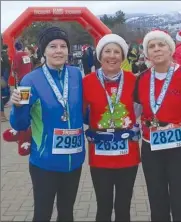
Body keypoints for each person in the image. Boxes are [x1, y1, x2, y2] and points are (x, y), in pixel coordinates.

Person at [9, 26, 85, 221]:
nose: (58, 50)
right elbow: (19, 124)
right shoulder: (29, 80)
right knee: (42, 214)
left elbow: (84, 112)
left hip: (74, 161)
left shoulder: (77, 75)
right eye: (52, 46)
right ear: (44, 51)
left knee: (67, 213)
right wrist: (17, 106)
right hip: (45, 162)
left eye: (62, 46)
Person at [135, 29, 181, 221]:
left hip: (180, 147)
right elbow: (135, 112)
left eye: (161, 45)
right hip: (151, 146)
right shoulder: (142, 78)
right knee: (157, 198)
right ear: (147, 53)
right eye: (152, 46)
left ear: (171, 49)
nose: (157, 49)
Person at [83, 34, 141, 222]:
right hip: (100, 156)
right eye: (107, 51)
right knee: (103, 206)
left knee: (123, 207)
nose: (112, 56)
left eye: (117, 52)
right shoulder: (87, 82)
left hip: (128, 155)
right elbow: (79, 113)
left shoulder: (134, 80)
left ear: (123, 57)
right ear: (100, 56)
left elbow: (144, 109)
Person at [1, 44, 11, 122]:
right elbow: (8, 64)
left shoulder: (2, 55)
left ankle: (2, 115)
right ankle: (2, 115)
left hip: (3, 75)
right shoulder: (4, 55)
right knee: (6, 92)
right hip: (3, 75)